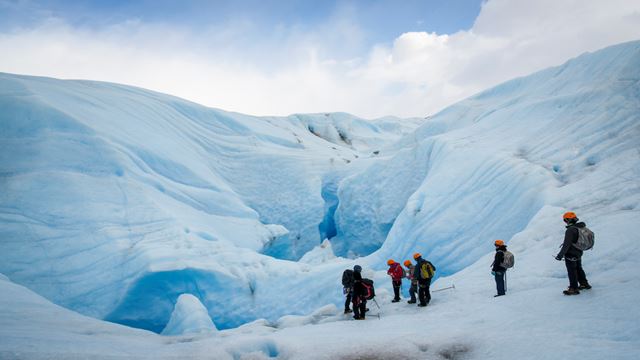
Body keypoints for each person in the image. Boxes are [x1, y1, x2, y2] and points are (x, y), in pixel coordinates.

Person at [555, 212, 591, 295]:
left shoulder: (570, 230)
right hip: (578, 252)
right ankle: (584, 284)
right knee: (579, 268)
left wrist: (560, 255)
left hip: (571, 254)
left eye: (565, 220)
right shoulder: (581, 227)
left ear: (567, 220)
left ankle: (573, 288)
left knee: (572, 271)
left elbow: (566, 244)